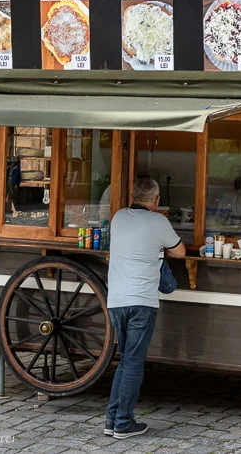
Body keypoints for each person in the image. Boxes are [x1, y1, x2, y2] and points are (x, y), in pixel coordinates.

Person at [104, 177, 186, 440]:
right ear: (156, 200)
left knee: (125, 360)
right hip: (141, 301)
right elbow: (181, 252)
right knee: (133, 363)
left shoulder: (118, 217)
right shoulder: (158, 221)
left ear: (132, 194)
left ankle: (112, 419)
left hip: (116, 300)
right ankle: (124, 423)